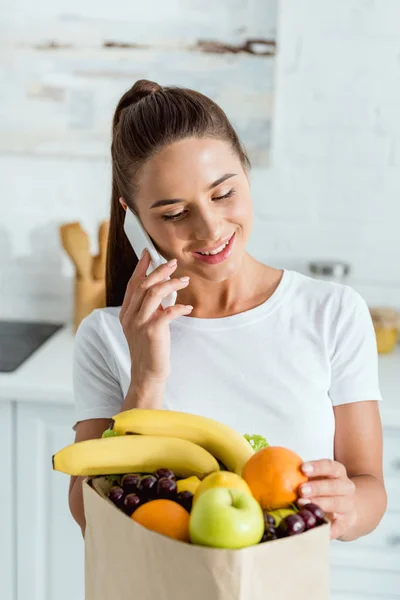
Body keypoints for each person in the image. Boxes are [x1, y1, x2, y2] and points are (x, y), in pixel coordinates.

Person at [69, 79, 387, 541]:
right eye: (175, 214)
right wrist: (146, 377)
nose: (211, 227)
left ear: (246, 168)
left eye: (223, 194)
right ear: (134, 217)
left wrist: (349, 506)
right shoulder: (107, 336)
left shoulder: (332, 313)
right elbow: (89, 519)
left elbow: (370, 487)